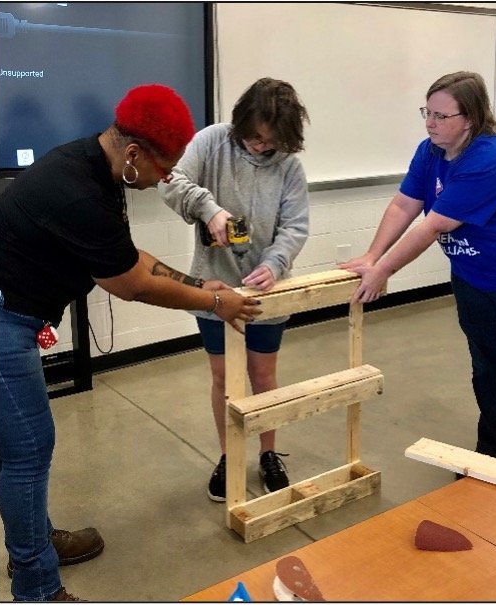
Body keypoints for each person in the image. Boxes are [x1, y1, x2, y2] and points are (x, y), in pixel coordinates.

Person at [0, 83, 262, 602]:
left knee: (17, 448)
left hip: (14, 314)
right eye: (165, 169)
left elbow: (128, 256)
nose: (165, 180)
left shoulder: (97, 166)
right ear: (136, 153)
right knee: (28, 449)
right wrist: (212, 303)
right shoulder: (75, 189)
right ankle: (36, 585)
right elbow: (131, 284)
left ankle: (36, 541)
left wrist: (195, 284)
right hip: (3, 322)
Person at [339, 71, 496, 461]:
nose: (430, 122)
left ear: (471, 119)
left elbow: (432, 227)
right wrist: (372, 255)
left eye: (441, 116)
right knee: (487, 369)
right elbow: (404, 205)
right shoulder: (431, 150)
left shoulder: (489, 160)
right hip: (471, 278)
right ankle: (493, 454)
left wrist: (384, 272)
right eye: (427, 112)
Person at [159, 77, 310, 501]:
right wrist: (208, 210)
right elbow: (170, 181)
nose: (262, 147)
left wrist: (274, 263)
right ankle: (230, 456)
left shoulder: (289, 167)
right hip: (213, 288)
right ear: (241, 120)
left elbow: (295, 226)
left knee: (263, 376)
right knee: (224, 377)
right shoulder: (211, 143)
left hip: (266, 293)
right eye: (255, 137)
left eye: (272, 141)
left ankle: (267, 453)